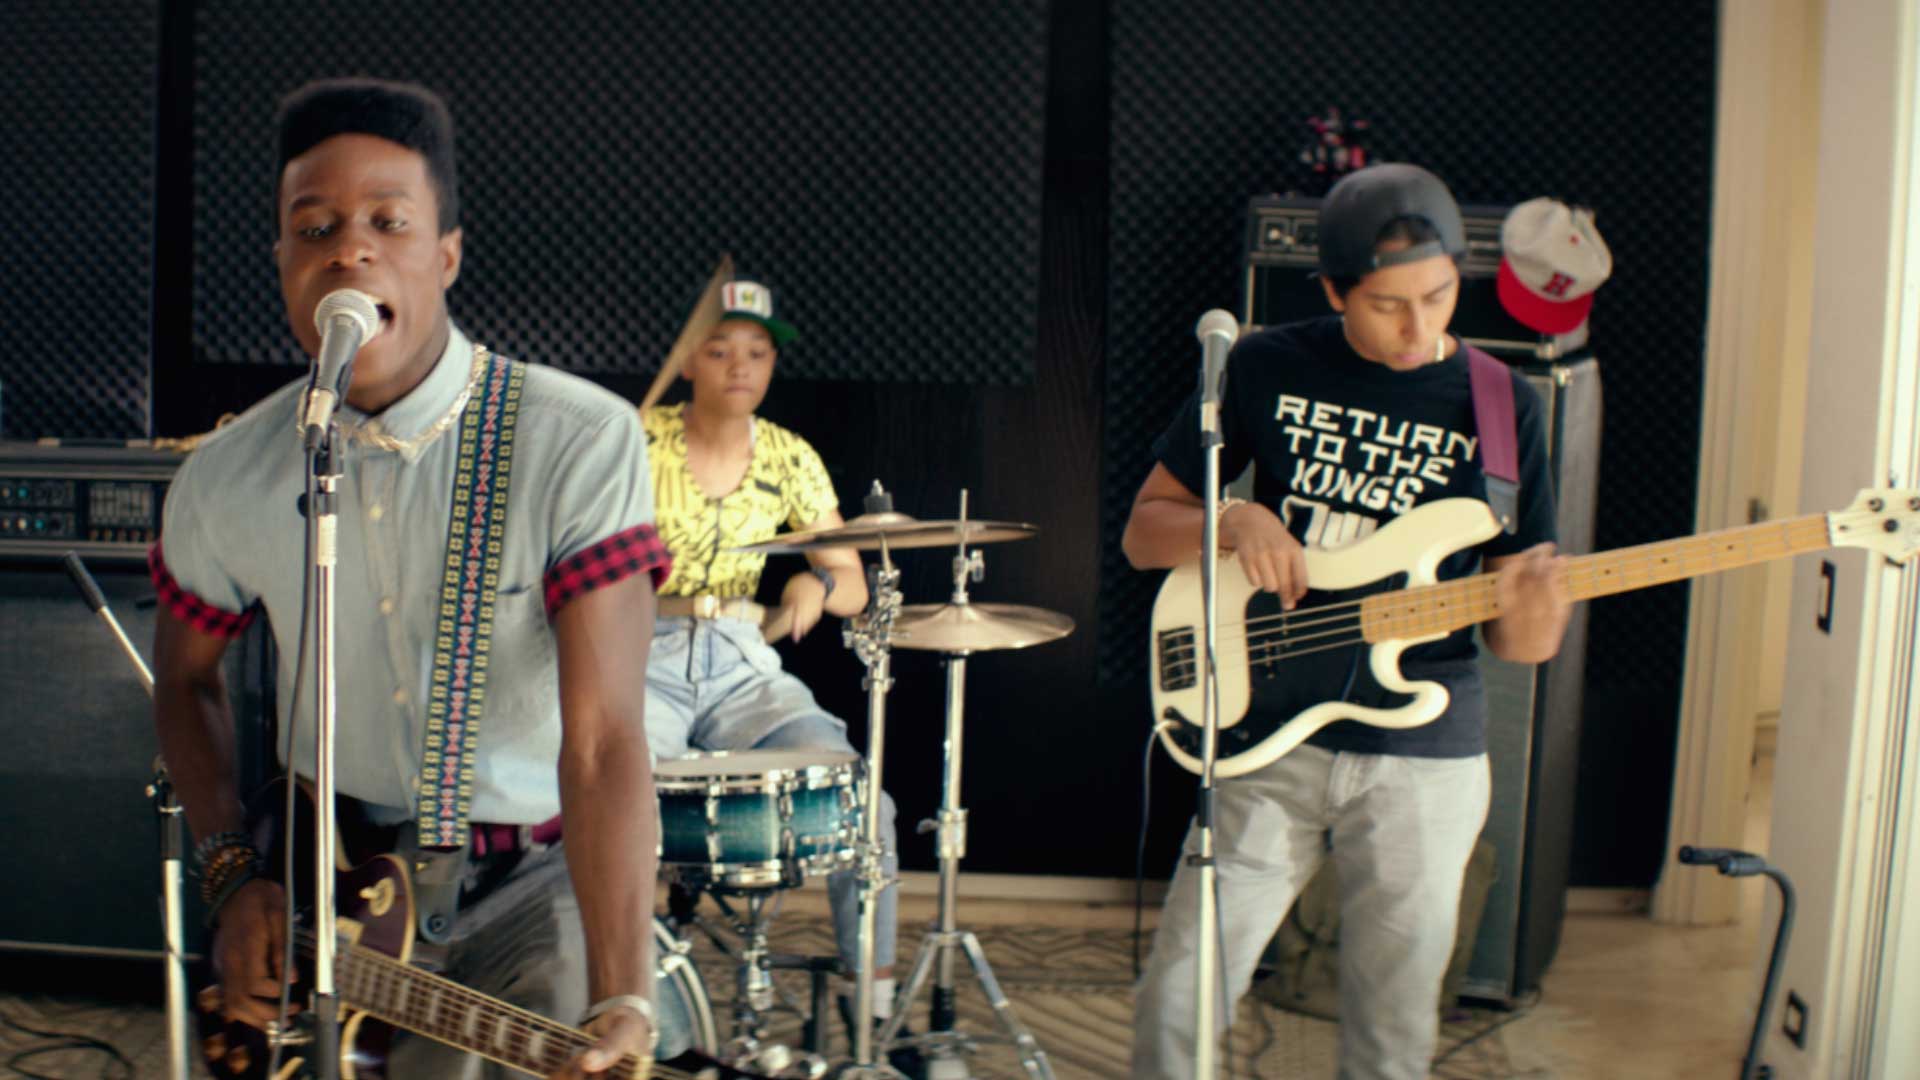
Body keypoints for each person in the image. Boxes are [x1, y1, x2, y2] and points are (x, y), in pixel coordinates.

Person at [150, 78, 670, 1079]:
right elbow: (184, 679)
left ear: (447, 255)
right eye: (315, 228)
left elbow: (605, 740)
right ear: (282, 261)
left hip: (531, 883)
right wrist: (233, 876)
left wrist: (621, 991)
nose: (350, 250)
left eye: (389, 222)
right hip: (323, 887)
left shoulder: (576, 440)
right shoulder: (226, 474)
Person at [1122, 163, 1572, 1079]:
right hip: (1268, 726)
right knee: (1183, 988)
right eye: (1387, 305)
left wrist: (1539, 611)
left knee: (1393, 1023)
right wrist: (1234, 518)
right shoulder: (1265, 363)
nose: (1418, 328)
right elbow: (1143, 534)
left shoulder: (1504, 407)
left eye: (1438, 297)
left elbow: (1519, 643)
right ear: (1333, 291)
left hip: (1426, 749)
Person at [638, 281, 914, 1050]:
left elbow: (853, 584)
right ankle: (641, 1009)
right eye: (720, 349)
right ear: (688, 361)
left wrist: (815, 583)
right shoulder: (635, 438)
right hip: (639, 652)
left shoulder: (790, 456)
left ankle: (872, 1014)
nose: (740, 366)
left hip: (741, 659)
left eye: (757, 353)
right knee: (610, 804)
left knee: (865, 805)